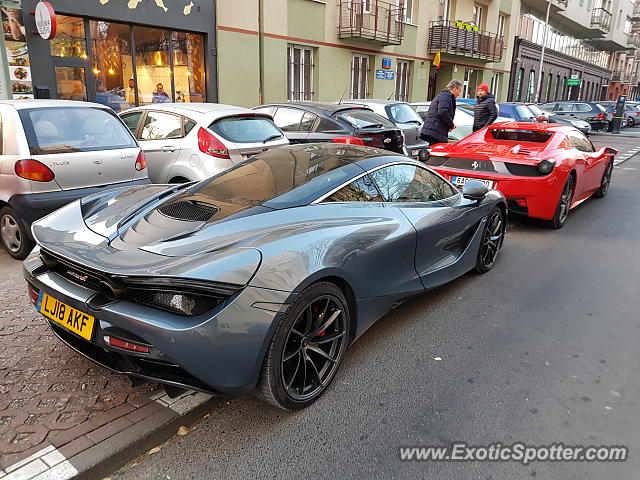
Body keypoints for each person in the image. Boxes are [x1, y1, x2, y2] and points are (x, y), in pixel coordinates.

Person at [420, 80, 462, 146]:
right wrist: (451, 125)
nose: (459, 94)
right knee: (437, 153)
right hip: (434, 134)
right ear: (454, 89)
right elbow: (442, 112)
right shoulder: (446, 97)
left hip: (433, 132)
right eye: (459, 91)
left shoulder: (444, 96)